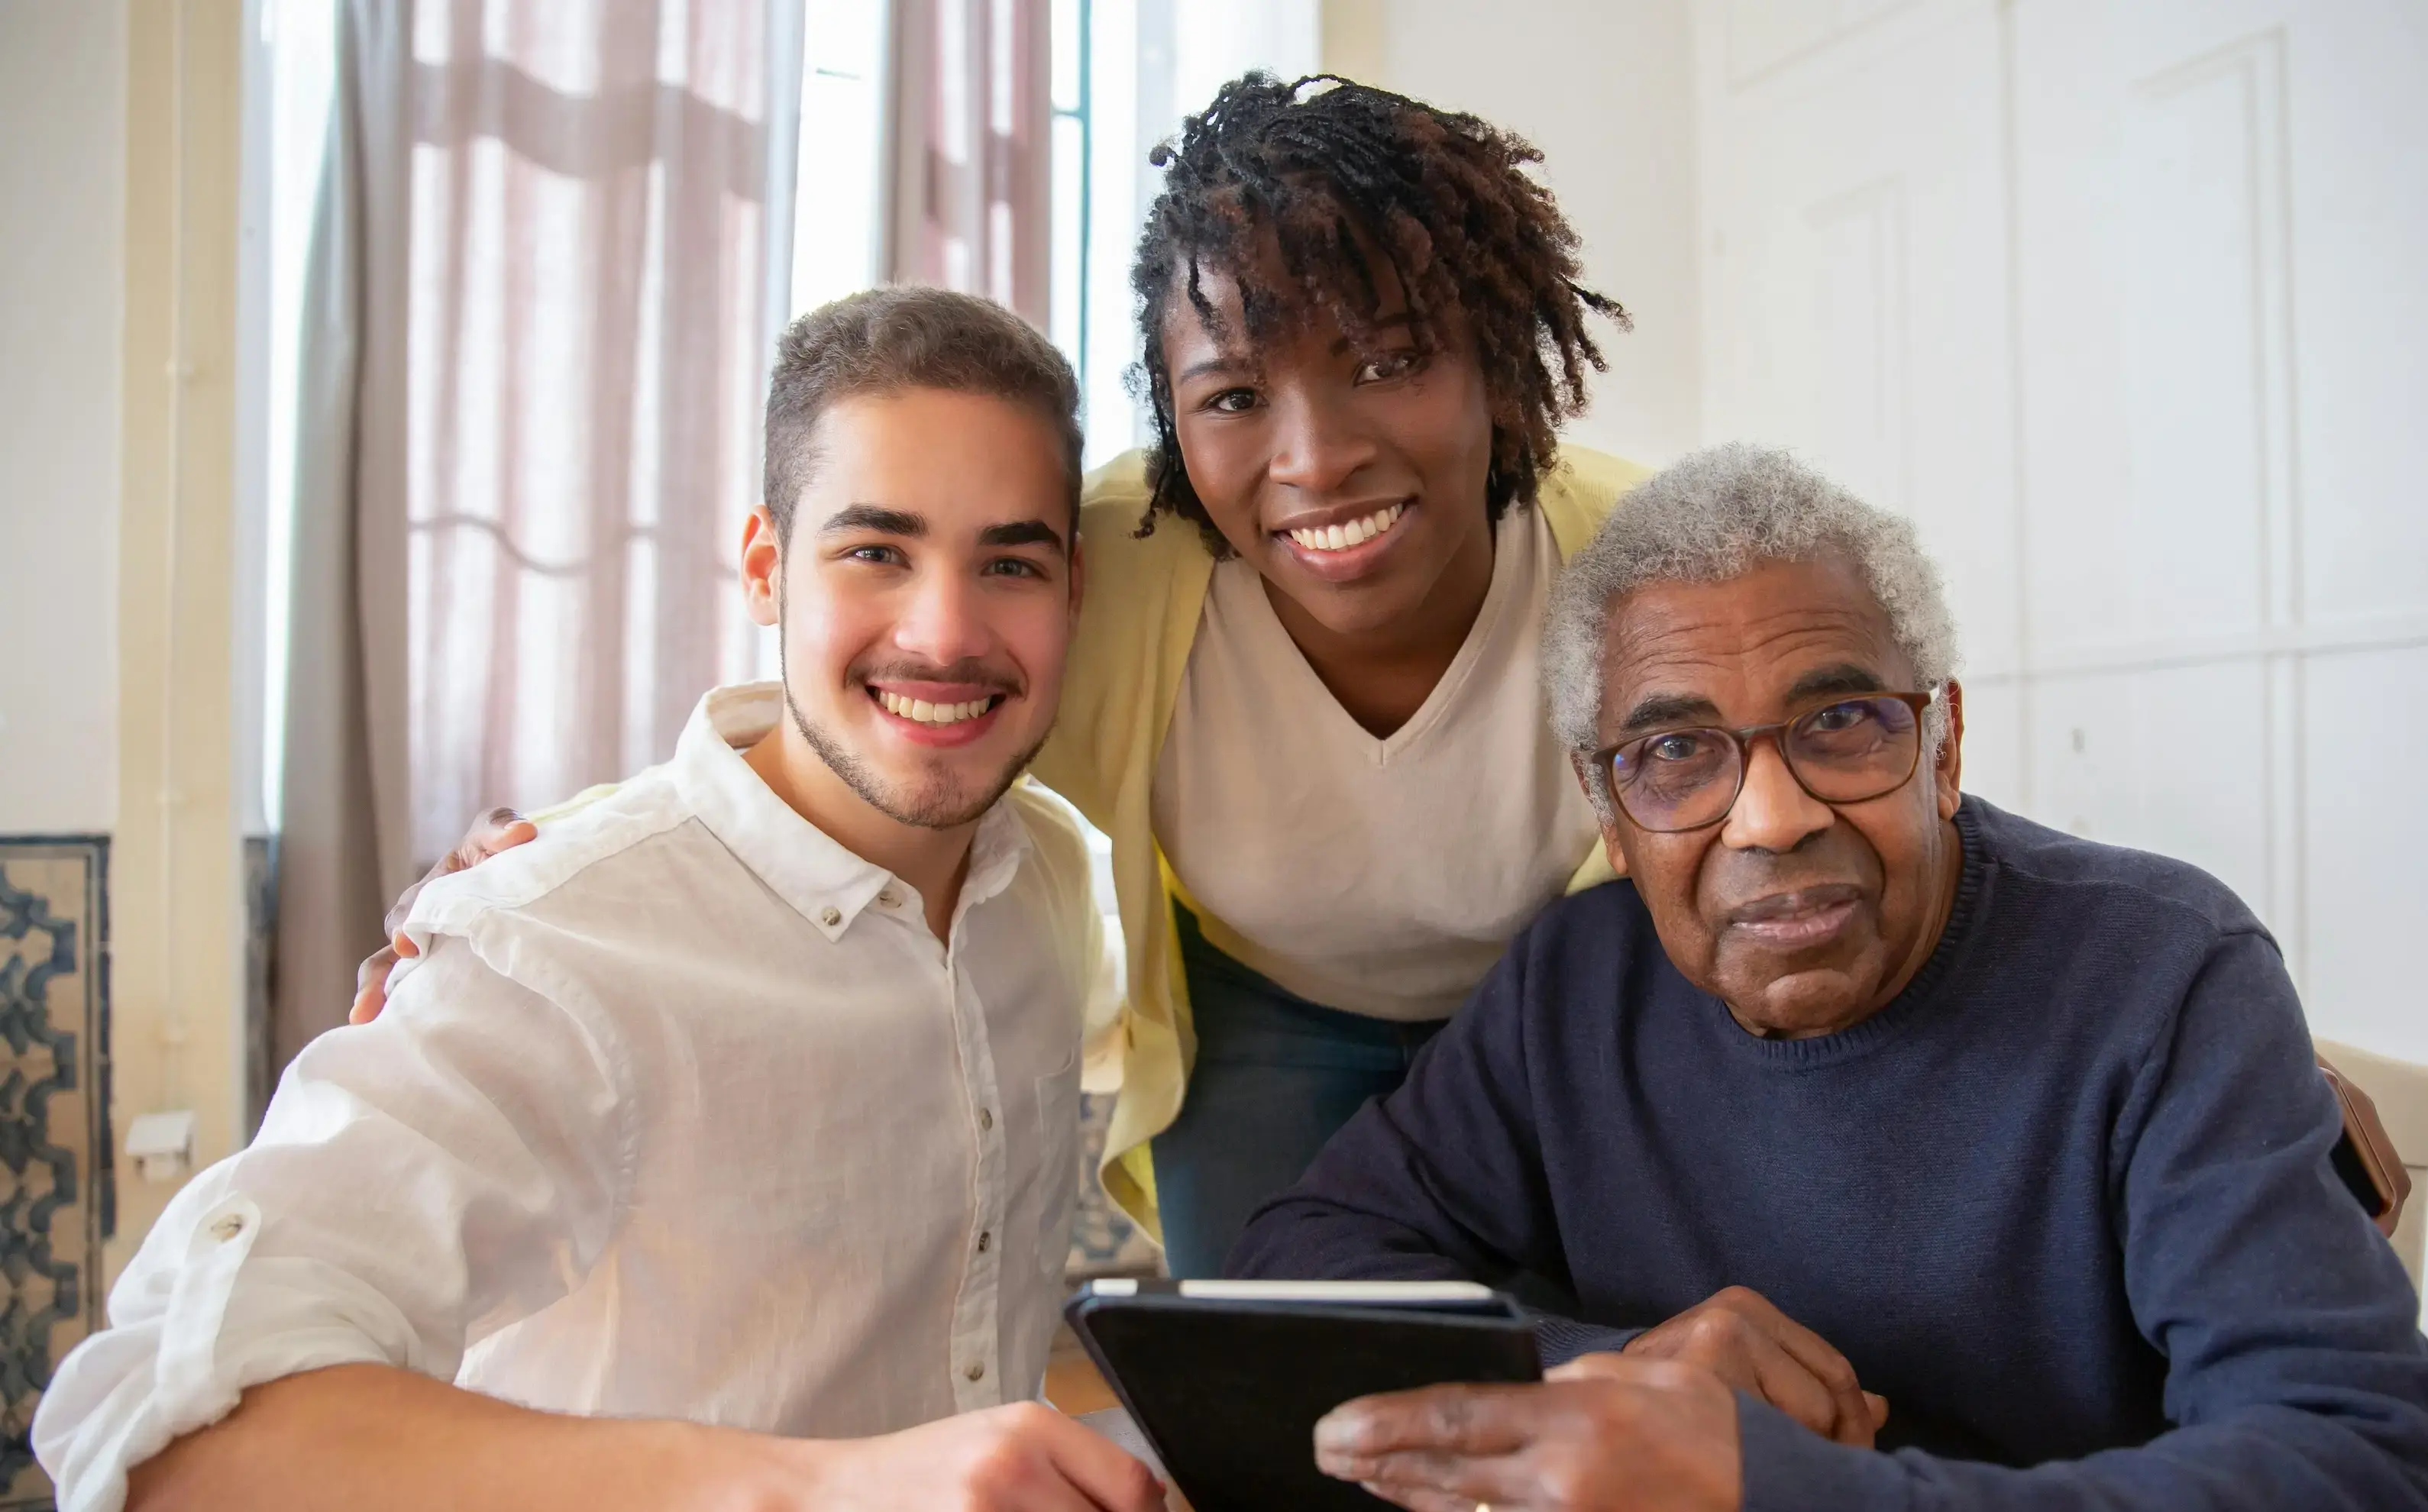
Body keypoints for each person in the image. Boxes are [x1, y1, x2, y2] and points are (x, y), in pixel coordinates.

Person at [354, 72, 1648, 1276]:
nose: (1313, 458)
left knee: (1593, 1343)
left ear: (1499, 363)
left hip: (1558, 1002)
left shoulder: (1645, 567)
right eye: (1237, 397)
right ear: (1177, 419)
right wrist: (535, 859)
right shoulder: (1113, 566)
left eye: (1387, 362)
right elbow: (857, 729)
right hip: (1271, 1011)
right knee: (1278, 1381)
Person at [33, 289, 1166, 1512]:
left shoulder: (1044, 876)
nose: (944, 632)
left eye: (1008, 562)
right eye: (876, 552)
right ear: (768, 571)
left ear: (1075, 595)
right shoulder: (551, 944)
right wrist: (816, 1489)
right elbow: (160, 1431)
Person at [1233, 444, 2428, 1510]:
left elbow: (2389, 1465)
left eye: (1841, 724)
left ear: (1943, 746)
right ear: (1606, 811)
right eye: (1676, 750)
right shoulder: (1577, 986)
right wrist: (1616, 1368)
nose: (1770, 818)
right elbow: (1299, 1261)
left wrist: (1767, 1486)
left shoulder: (2159, 976)